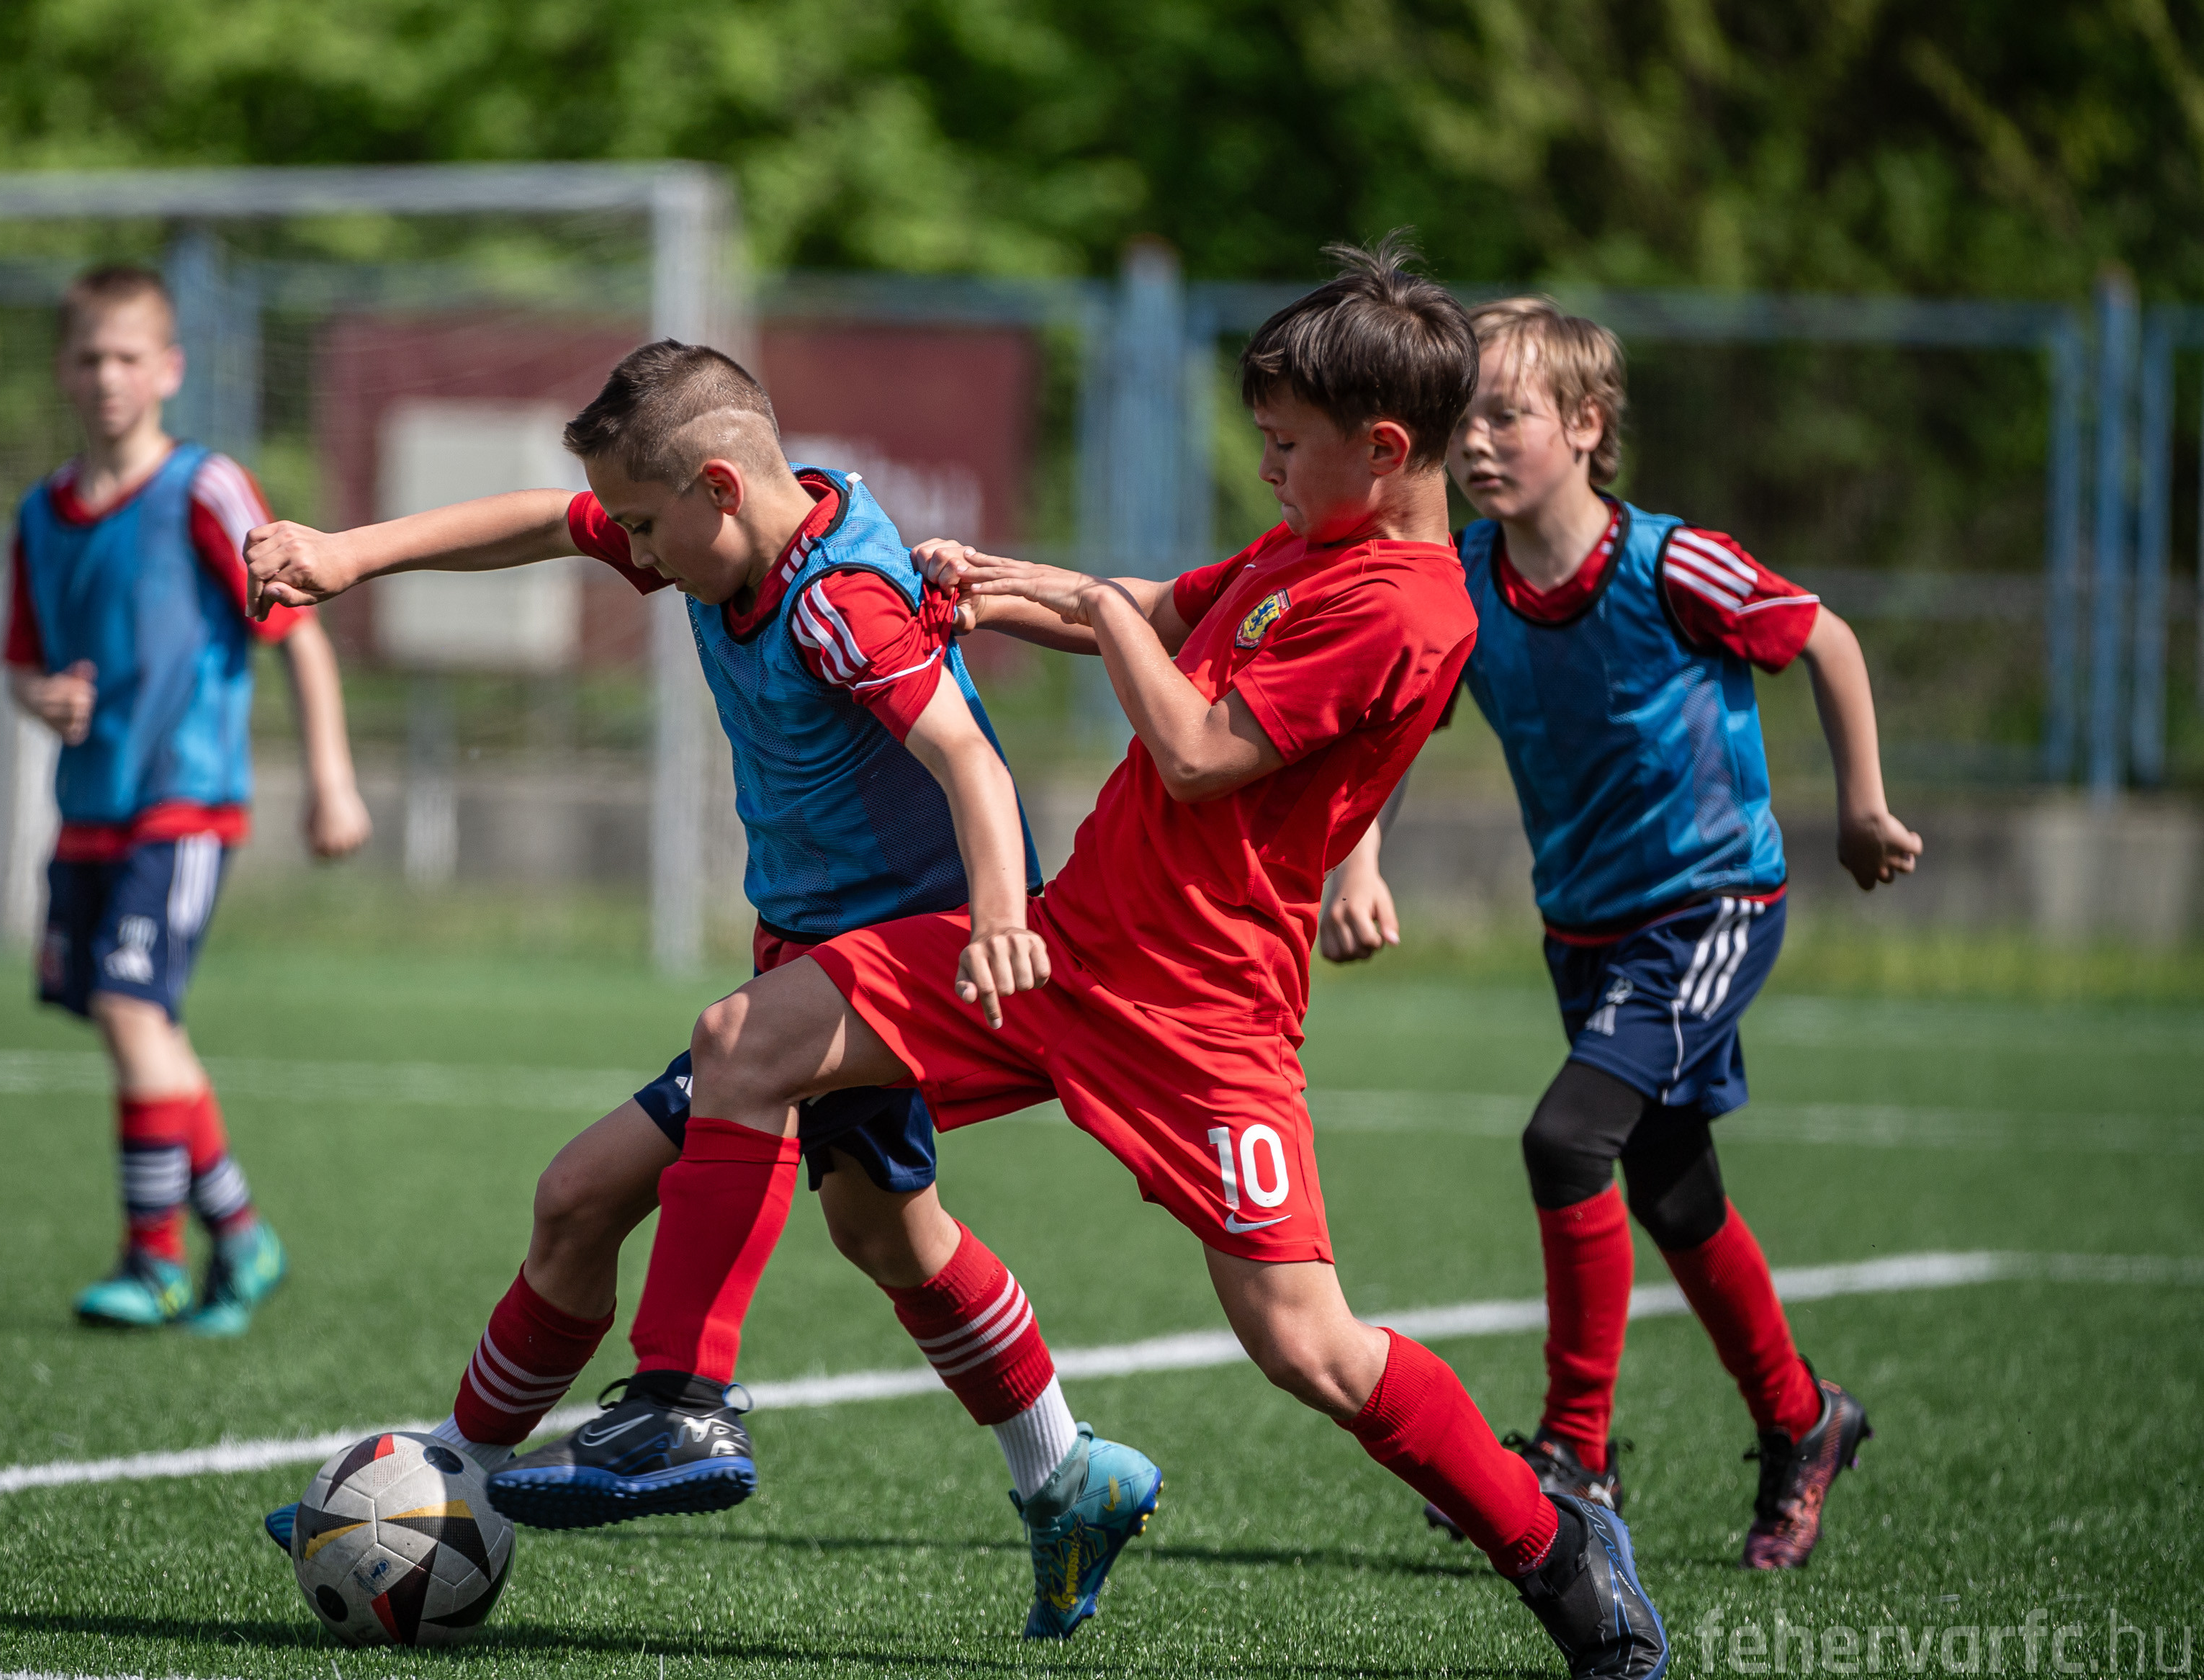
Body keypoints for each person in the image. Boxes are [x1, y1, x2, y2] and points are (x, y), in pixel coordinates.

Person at [536, 241, 1673, 1680]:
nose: (1264, 466)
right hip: (1061, 950)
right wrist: (1001, 592)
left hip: (1202, 1018)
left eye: (1285, 445)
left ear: (1385, 453)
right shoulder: (1308, 544)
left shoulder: (1405, 604)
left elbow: (1195, 750)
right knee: (742, 1043)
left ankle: (1556, 1545)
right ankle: (682, 1400)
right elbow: (1158, 606)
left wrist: (1099, 613)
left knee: (1308, 1347)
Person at [241, 340, 1161, 1640]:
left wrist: (1002, 919)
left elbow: (968, 757)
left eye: (642, 526)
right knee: (879, 1231)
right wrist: (349, 554)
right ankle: (1068, 1473)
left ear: (719, 489)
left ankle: (670, 1403)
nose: (633, 552)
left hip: (909, 962)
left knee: (633, 1144)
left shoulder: (839, 603)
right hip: (813, 959)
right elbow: (542, 520)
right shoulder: (719, 531)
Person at [1332, 295, 1920, 1571]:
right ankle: (1803, 1421)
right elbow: (1399, 723)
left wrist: (1862, 807)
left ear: (1589, 427)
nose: (1475, 443)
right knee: (1670, 1185)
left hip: (1709, 907)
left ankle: (1575, 1450)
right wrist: (1359, 860)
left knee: (1565, 1138)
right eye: (1462, 421)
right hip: (1586, 928)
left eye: (1507, 416)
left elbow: (1825, 636)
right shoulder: (1465, 582)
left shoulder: (1671, 564)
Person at [4, 264, 371, 1337]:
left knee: (131, 1013)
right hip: (89, 809)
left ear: (168, 369)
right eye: (90, 358)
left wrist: (332, 780)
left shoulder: (205, 487)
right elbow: (20, 663)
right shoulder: (40, 514)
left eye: (129, 357)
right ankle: (243, 1237)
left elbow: (299, 634)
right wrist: (42, 697)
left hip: (184, 802)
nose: (108, 377)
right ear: (64, 370)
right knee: (142, 1027)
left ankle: (154, 1261)